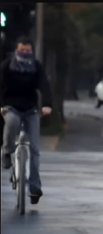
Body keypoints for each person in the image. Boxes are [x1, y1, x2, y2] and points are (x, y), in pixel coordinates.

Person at [0, 36, 53, 204]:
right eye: (22, 50)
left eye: (28, 50)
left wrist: (47, 104)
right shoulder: (7, 65)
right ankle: (7, 151)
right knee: (12, 123)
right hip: (11, 106)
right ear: (17, 50)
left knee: (35, 150)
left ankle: (35, 188)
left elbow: (44, 85)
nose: (25, 53)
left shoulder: (36, 67)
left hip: (30, 109)